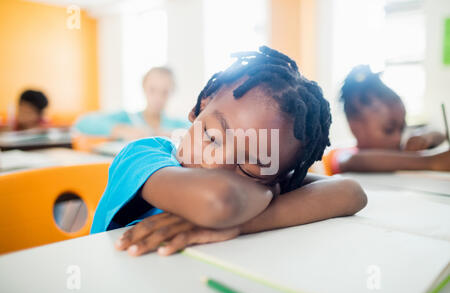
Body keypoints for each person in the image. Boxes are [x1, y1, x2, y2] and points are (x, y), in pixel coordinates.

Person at [91, 46, 368, 257]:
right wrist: (267, 190)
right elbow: (218, 200)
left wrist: (240, 224)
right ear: (200, 106)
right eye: (212, 137)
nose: (217, 163)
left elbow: (351, 193)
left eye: (249, 166)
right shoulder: (142, 155)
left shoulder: (264, 182)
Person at [321, 65, 449, 175]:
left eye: (402, 128)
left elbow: (440, 134)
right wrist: (432, 161)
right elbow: (358, 161)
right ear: (355, 125)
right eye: (389, 130)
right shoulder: (343, 155)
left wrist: (426, 138)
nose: (398, 138)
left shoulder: (397, 150)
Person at [74, 67, 189, 140]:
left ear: (172, 92)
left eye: (164, 92)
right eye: (152, 90)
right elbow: (82, 122)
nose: (158, 98)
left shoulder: (176, 124)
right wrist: (122, 130)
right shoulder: (127, 118)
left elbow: (199, 131)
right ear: (144, 87)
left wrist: (175, 135)